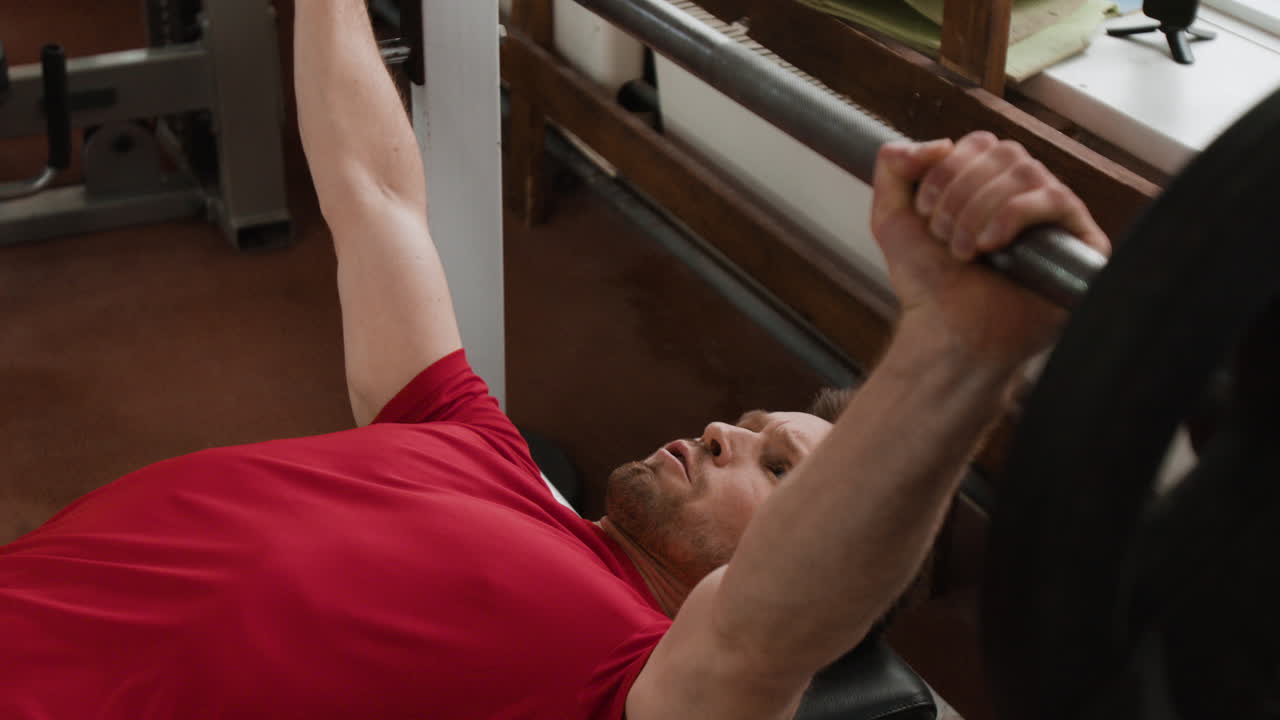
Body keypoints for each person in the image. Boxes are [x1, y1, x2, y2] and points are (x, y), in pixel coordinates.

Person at [0, 2, 1110, 719]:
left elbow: (767, 627)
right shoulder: (476, 441)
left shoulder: (636, 678)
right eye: (759, 427)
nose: (727, 431)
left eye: (773, 471)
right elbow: (374, 195)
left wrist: (959, 344)